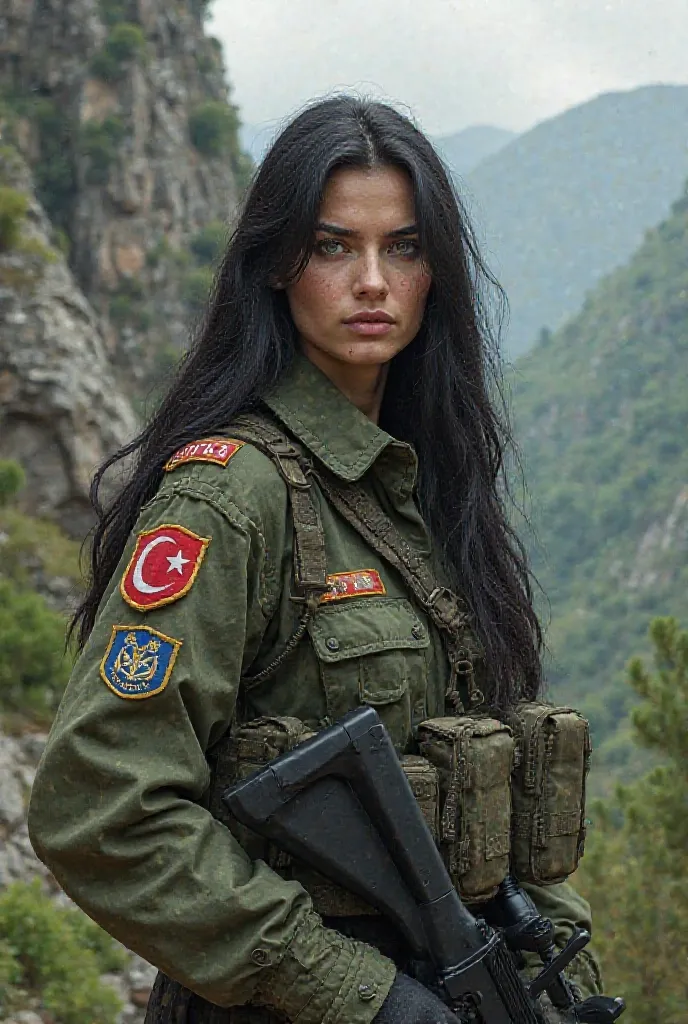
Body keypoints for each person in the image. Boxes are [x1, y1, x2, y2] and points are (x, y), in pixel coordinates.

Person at [28, 96, 602, 1024]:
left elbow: (490, 779)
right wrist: (366, 998)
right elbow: (101, 809)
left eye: (404, 248)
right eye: (334, 247)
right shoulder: (229, 497)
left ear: (435, 275)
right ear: (277, 267)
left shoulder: (430, 496)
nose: (372, 281)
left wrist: (554, 974)